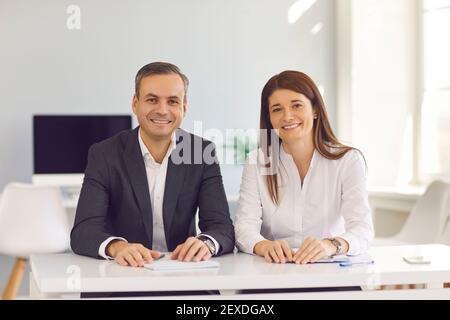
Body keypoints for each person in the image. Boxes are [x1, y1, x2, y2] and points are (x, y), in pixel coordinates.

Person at [71, 62, 235, 268]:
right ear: (135, 103)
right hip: (123, 273)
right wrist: (117, 247)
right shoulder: (104, 154)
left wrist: (207, 243)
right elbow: (84, 231)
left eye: (173, 101)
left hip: (182, 271)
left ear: (184, 107)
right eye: (152, 100)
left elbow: (222, 227)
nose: (162, 110)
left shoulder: (201, 152)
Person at [235, 71, 374, 265]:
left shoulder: (348, 160)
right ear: (270, 118)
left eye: (296, 105)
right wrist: (264, 245)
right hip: (274, 269)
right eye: (277, 109)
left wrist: (332, 245)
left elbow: (362, 228)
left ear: (315, 109)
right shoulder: (257, 161)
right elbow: (244, 226)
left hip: (329, 269)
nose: (287, 116)